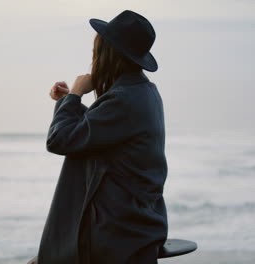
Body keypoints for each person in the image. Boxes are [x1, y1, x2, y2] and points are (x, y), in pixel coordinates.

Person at [28, 10, 168, 264]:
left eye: (96, 51)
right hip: (137, 223)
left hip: (115, 231)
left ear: (107, 54)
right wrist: (66, 102)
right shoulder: (143, 92)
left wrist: (74, 97)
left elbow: (60, 140)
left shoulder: (123, 99)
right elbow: (99, 131)